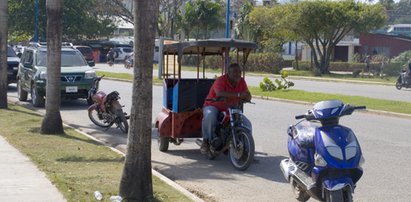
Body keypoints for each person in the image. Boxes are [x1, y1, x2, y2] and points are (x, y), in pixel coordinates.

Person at [200, 63, 252, 154]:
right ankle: (206, 141)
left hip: (231, 107)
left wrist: (247, 97)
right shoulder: (221, 80)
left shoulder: (242, 81)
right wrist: (239, 95)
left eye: (239, 72)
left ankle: (247, 150)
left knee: (247, 124)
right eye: (235, 72)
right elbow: (219, 93)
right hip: (213, 105)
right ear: (228, 73)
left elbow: (248, 95)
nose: (238, 74)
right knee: (210, 116)